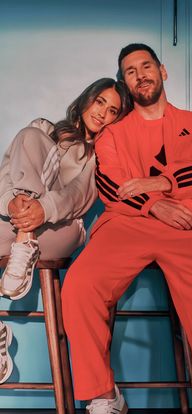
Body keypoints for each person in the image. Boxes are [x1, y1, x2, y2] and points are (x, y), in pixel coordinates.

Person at [61, 44, 192, 414]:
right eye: (129, 71)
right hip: (127, 223)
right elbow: (110, 184)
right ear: (125, 83)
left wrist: (161, 183)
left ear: (163, 71)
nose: (140, 74)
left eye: (146, 66)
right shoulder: (113, 134)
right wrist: (152, 204)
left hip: (190, 226)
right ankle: (103, 396)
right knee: (79, 285)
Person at [0, 77, 131, 385]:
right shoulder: (46, 132)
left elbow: (79, 195)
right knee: (31, 132)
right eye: (100, 102)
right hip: (20, 218)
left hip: (63, 228)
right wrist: (15, 204)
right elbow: (5, 177)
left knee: (34, 217)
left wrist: (42, 211)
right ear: (87, 99)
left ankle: (24, 240)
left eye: (113, 111)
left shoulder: (101, 152)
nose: (103, 113)